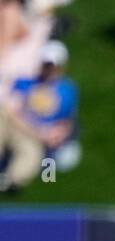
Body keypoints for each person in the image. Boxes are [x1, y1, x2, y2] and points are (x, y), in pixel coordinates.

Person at [0, 38, 75, 191]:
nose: (50, 69)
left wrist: (59, 134)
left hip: (34, 137)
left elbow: (66, 119)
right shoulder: (24, 82)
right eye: (46, 65)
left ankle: (10, 182)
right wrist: (38, 132)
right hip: (16, 127)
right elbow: (11, 111)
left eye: (53, 66)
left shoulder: (67, 90)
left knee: (31, 155)